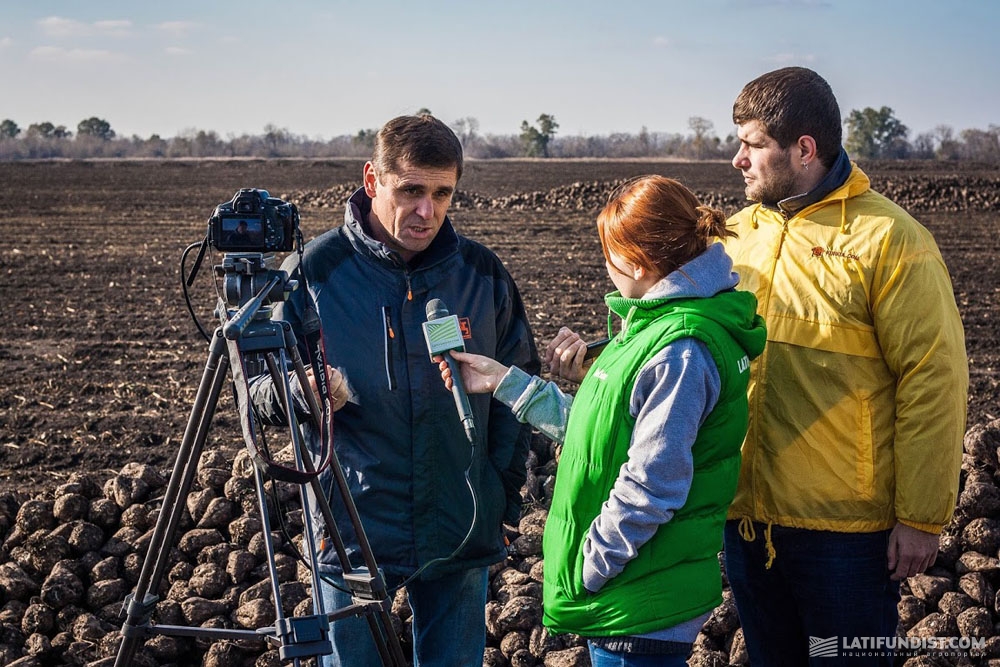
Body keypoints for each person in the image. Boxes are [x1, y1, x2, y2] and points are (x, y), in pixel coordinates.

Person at [437, 175, 766, 667]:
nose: (605, 265)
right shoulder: (661, 327)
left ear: (636, 261)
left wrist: (593, 563)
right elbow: (601, 434)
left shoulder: (680, 349)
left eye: (608, 254)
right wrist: (506, 382)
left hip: (638, 600)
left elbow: (654, 483)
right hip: (632, 591)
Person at [249, 114, 540, 666]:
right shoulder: (313, 273)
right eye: (410, 190)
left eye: (441, 193)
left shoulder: (481, 275)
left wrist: (499, 493)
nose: (426, 211)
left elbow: (517, 393)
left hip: (460, 521)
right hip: (351, 527)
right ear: (371, 180)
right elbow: (253, 393)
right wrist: (297, 391)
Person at [721, 67, 968, 666]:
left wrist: (920, 516)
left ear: (804, 149)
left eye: (753, 144)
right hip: (746, 524)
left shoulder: (889, 239)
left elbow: (934, 377)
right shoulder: (733, 236)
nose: (737, 159)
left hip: (846, 539)